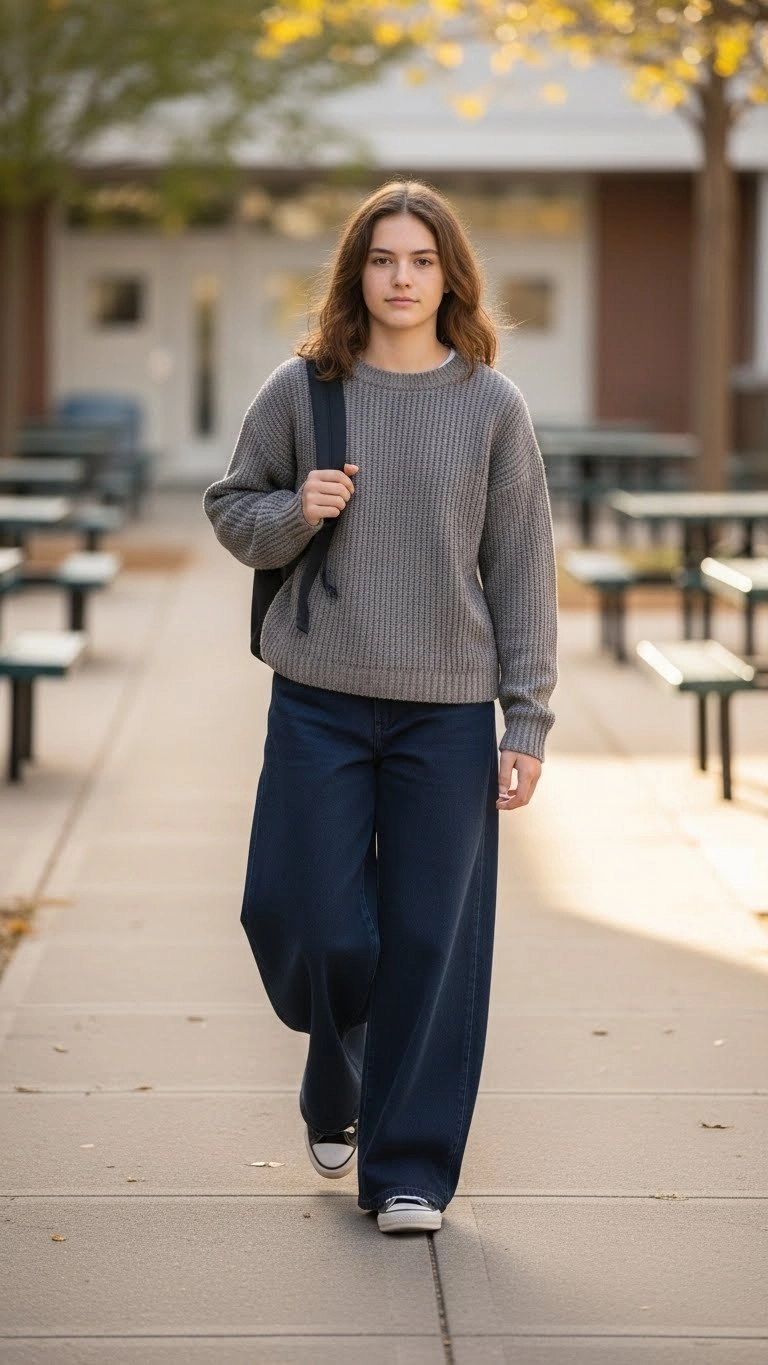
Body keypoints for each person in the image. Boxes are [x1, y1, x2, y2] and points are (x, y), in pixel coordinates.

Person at [203, 179, 558, 1235]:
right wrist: (294, 511)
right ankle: (339, 1062)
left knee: (429, 942)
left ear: (450, 278)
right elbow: (232, 506)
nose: (402, 279)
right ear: (356, 272)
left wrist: (526, 721)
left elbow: (522, 569)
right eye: (383, 259)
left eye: (422, 261)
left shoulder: (491, 405)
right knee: (300, 915)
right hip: (318, 698)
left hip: (446, 713)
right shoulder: (304, 390)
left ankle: (410, 1171)